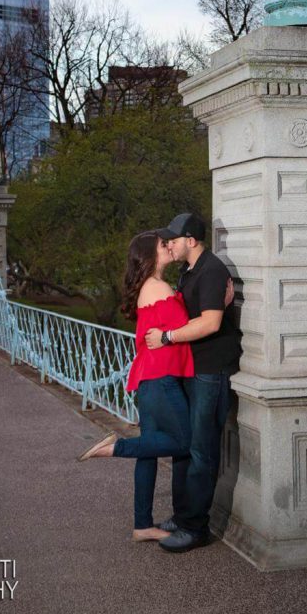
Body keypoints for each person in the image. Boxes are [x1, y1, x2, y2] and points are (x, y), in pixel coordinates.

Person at [76, 230, 194, 542]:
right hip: (161, 377)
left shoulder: (150, 286)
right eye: (162, 244)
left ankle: (143, 525)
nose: (169, 246)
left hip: (149, 378)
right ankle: (115, 448)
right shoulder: (158, 286)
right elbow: (184, 327)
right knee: (185, 442)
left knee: (150, 451)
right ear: (151, 255)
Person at [144, 212, 242, 553]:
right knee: (185, 445)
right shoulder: (189, 271)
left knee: (201, 449)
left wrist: (168, 337)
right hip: (191, 368)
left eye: (174, 237)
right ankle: (183, 515)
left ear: (192, 240)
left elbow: (211, 324)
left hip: (209, 371)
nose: (169, 242)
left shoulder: (213, 270)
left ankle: (196, 527)